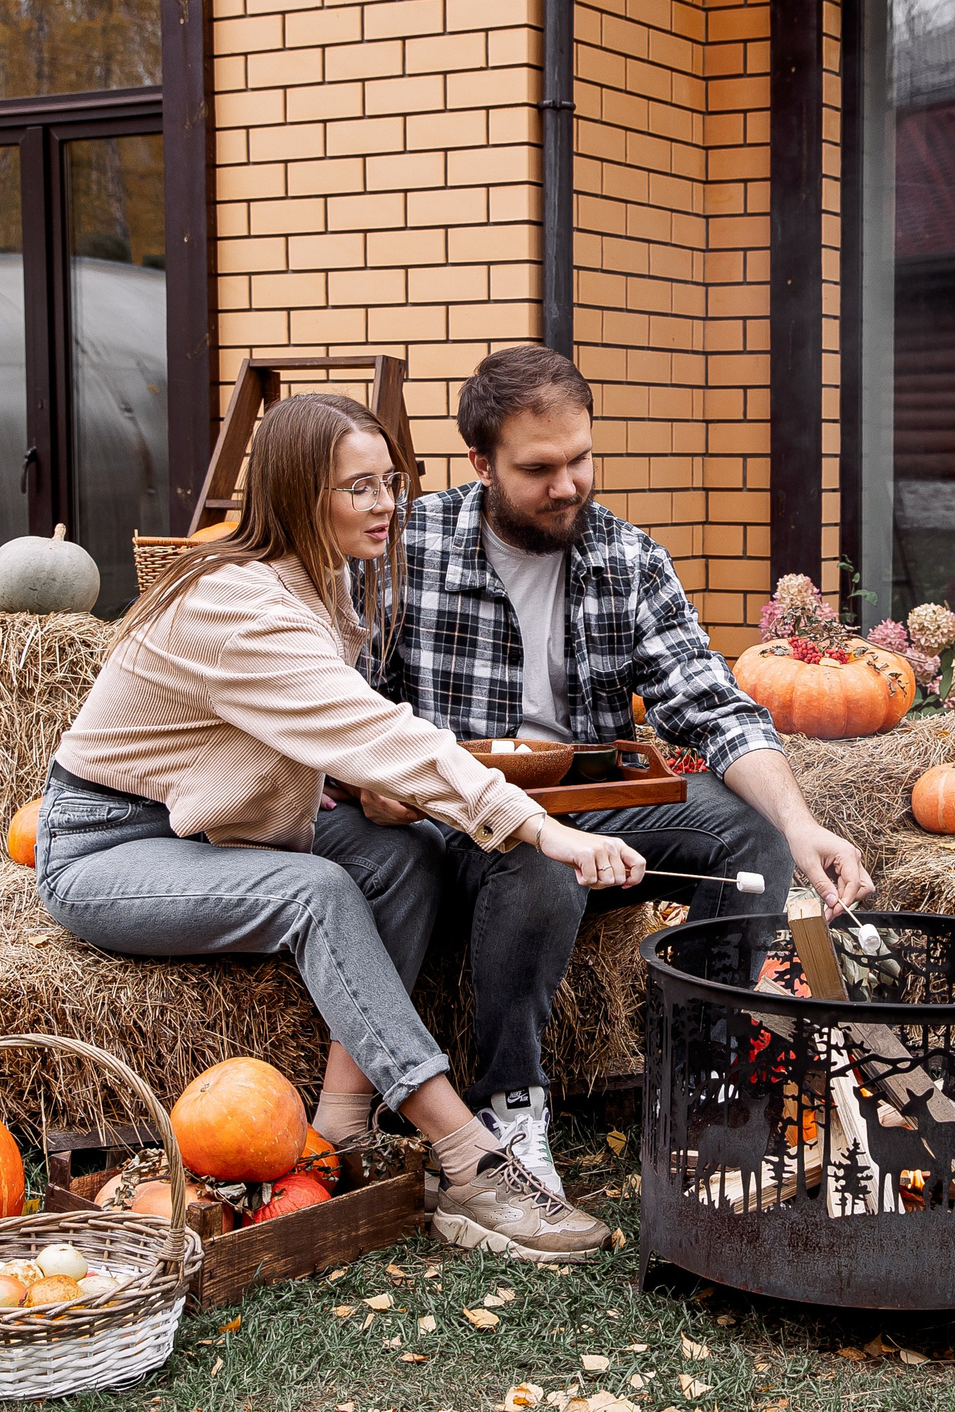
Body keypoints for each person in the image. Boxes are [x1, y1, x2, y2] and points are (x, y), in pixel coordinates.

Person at [34, 392, 642, 1263]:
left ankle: (341, 1126)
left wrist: (335, 785)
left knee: (406, 854)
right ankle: (469, 1158)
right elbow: (378, 732)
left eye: (391, 481)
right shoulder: (238, 605)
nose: (386, 504)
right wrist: (544, 831)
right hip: (106, 846)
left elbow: (309, 734)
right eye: (360, 487)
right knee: (316, 892)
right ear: (297, 494)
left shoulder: (318, 581)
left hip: (195, 825)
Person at [375, 344, 874, 1194]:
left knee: (750, 833)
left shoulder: (628, 557)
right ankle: (510, 1105)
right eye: (538, 469)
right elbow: (354, 711)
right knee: (537, 862)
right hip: (460, 820)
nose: (567, 485)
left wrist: (800, 825)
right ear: (480, 464)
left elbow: (713, 707)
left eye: (580, 459)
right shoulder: (405, 549)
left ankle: (701, 1083)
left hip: (596, 806)